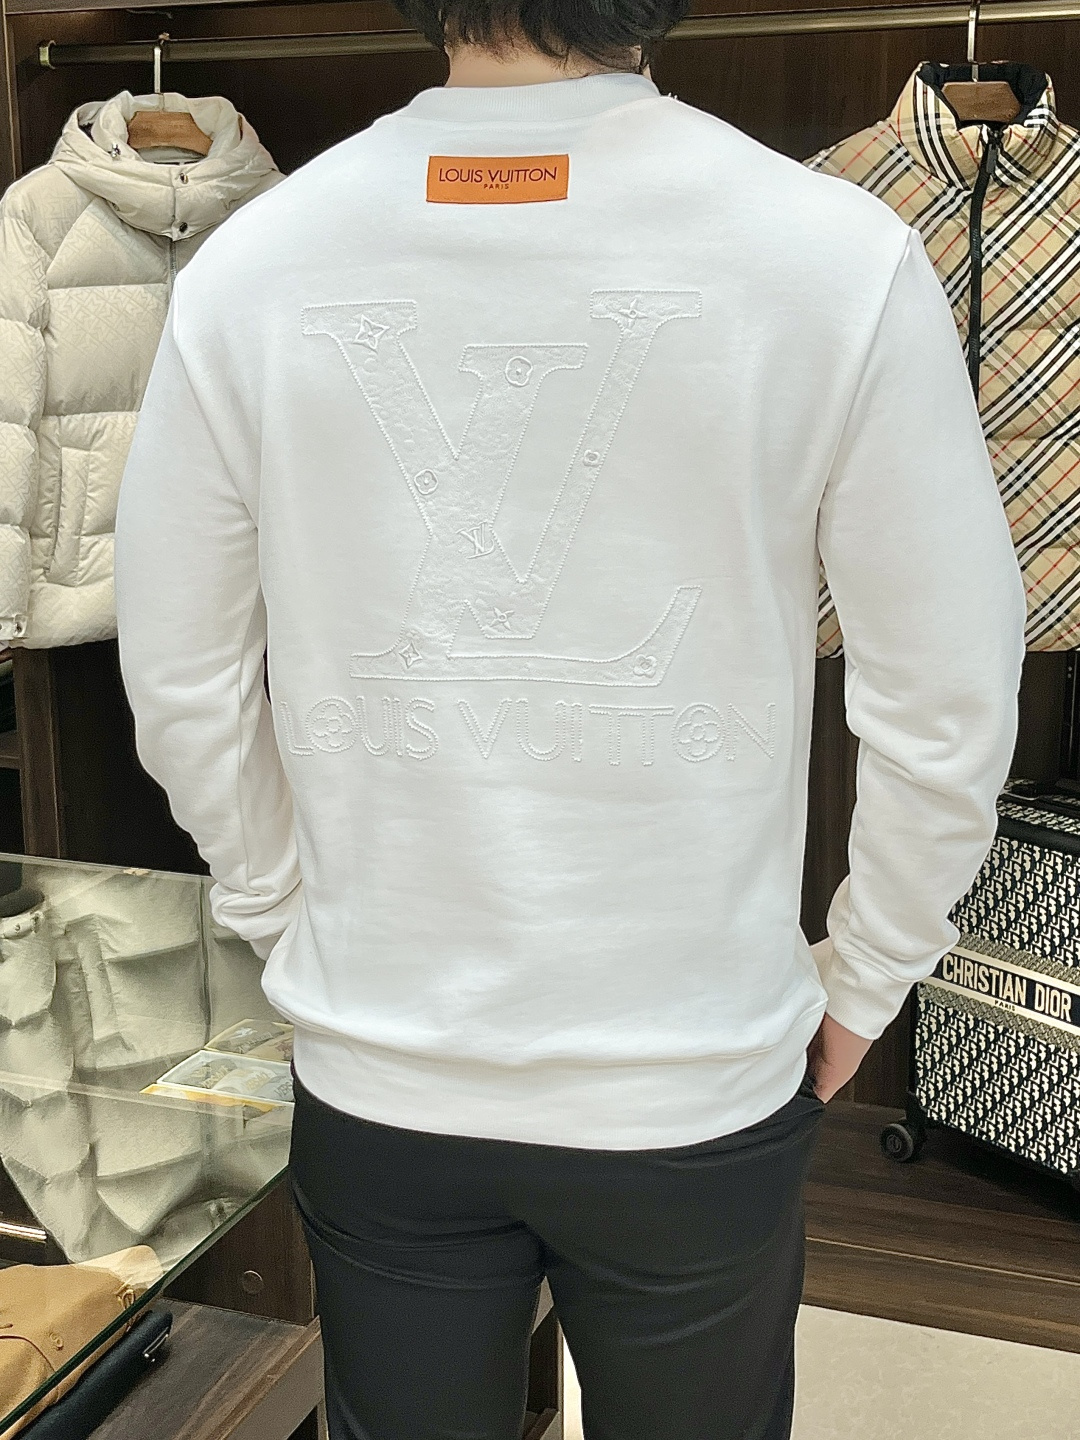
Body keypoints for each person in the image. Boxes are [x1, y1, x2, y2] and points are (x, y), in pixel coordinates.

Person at [114, 2, 1025, 1436]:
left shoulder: (257, 262)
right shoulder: (832, 256)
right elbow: (949, 688)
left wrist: (282, 913)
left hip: (382, 1059)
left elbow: (183, 675)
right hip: (693, 1071)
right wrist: (871, 969)